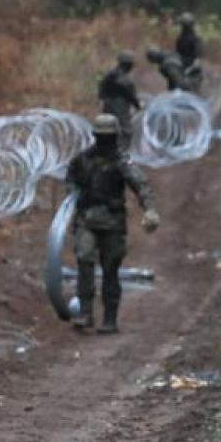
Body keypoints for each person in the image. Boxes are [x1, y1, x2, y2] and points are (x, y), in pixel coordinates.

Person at [66, 114, 160, 334]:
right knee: (84, 259)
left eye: (108, 137)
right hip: (87, 219)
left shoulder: (121, 161)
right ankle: (86, 312)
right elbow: (71, 178)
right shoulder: (83, 160)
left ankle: (110, 318)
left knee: (110, 269)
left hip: (112, 222)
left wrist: (150, 208)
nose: (105, 141)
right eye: (102, 137)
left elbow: (140, 183)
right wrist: (73, 195)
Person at [97, 50, 142, 148]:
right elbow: (132, 97)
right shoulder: (126, 80)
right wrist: (139, 106)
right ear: (128, 65)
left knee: (107, 129)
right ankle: (122, 154)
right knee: (126, 131)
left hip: (107, 105)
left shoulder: (109, 75)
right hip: (120, 107)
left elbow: (101, 90)